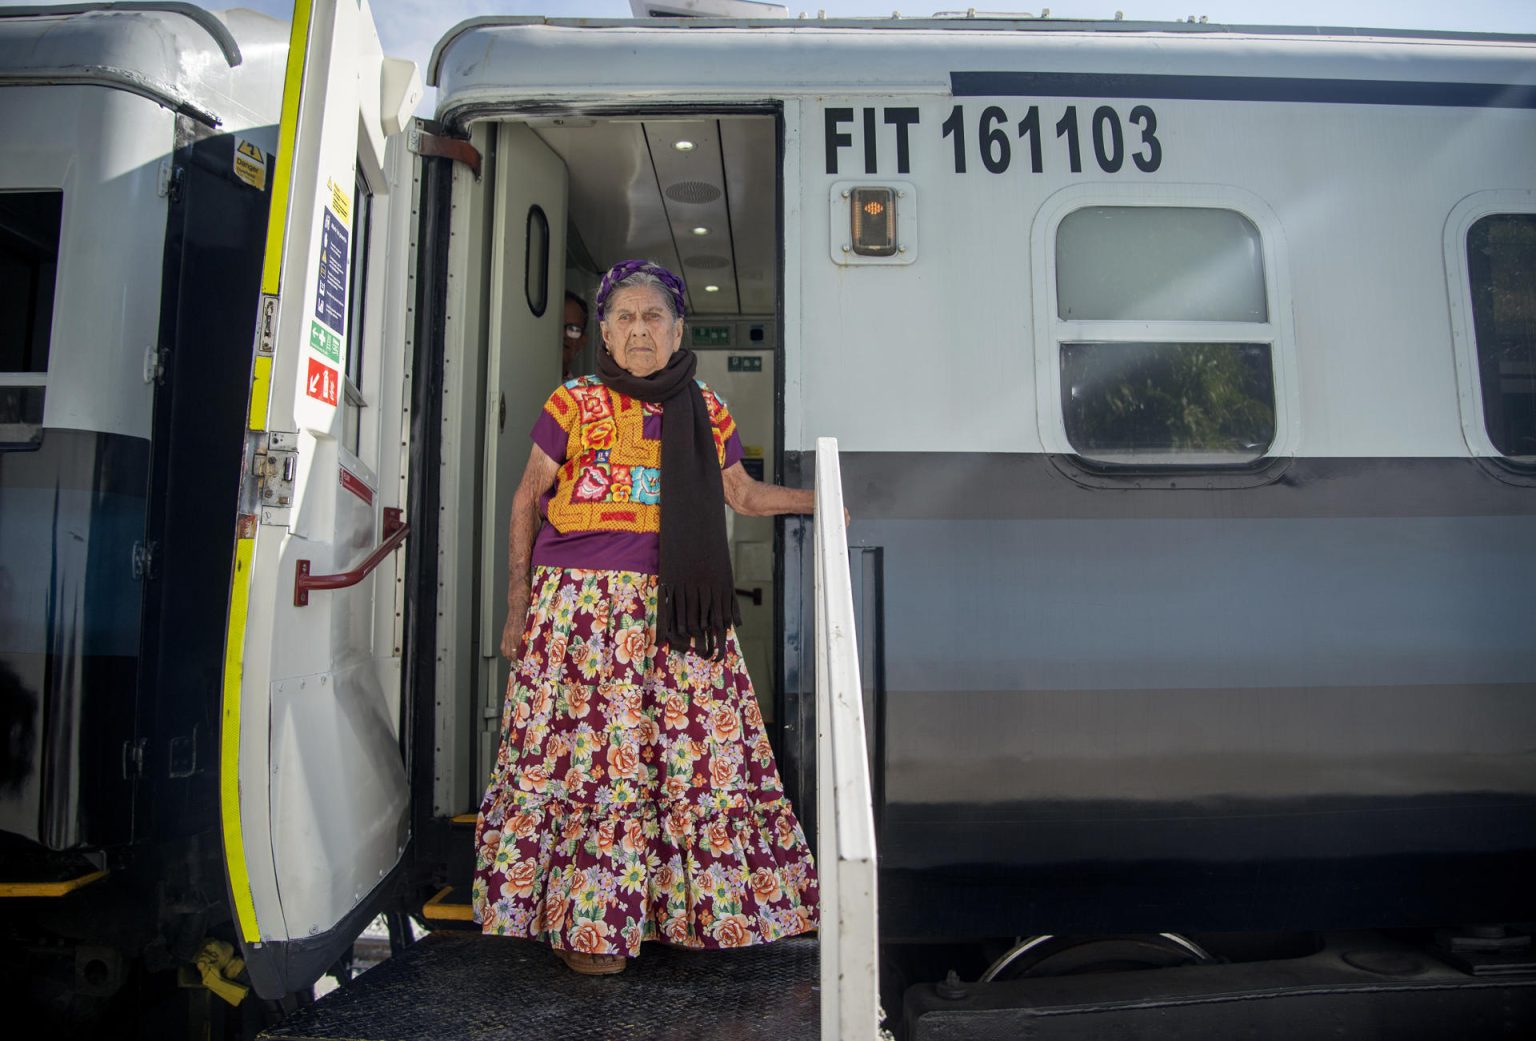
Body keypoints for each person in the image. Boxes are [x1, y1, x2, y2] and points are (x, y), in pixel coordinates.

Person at [472, 259, 820, 975]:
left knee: (684, 760)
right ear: (603, 329)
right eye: (625, 317)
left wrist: (824, 501)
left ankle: (673, 913)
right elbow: (527, 499)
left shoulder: (707, 408)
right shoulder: (572, 399)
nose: (639, 329)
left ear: (678, 328)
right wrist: (516, 609)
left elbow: (744, 496)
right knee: (591, 768)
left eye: (653, 317)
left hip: (674, 615)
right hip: (578, 615)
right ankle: (589, 930)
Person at [561, 290, 588, 382]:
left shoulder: (581, 394)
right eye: (558, 325)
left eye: (573, 329)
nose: (563, 334)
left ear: (582, 341)